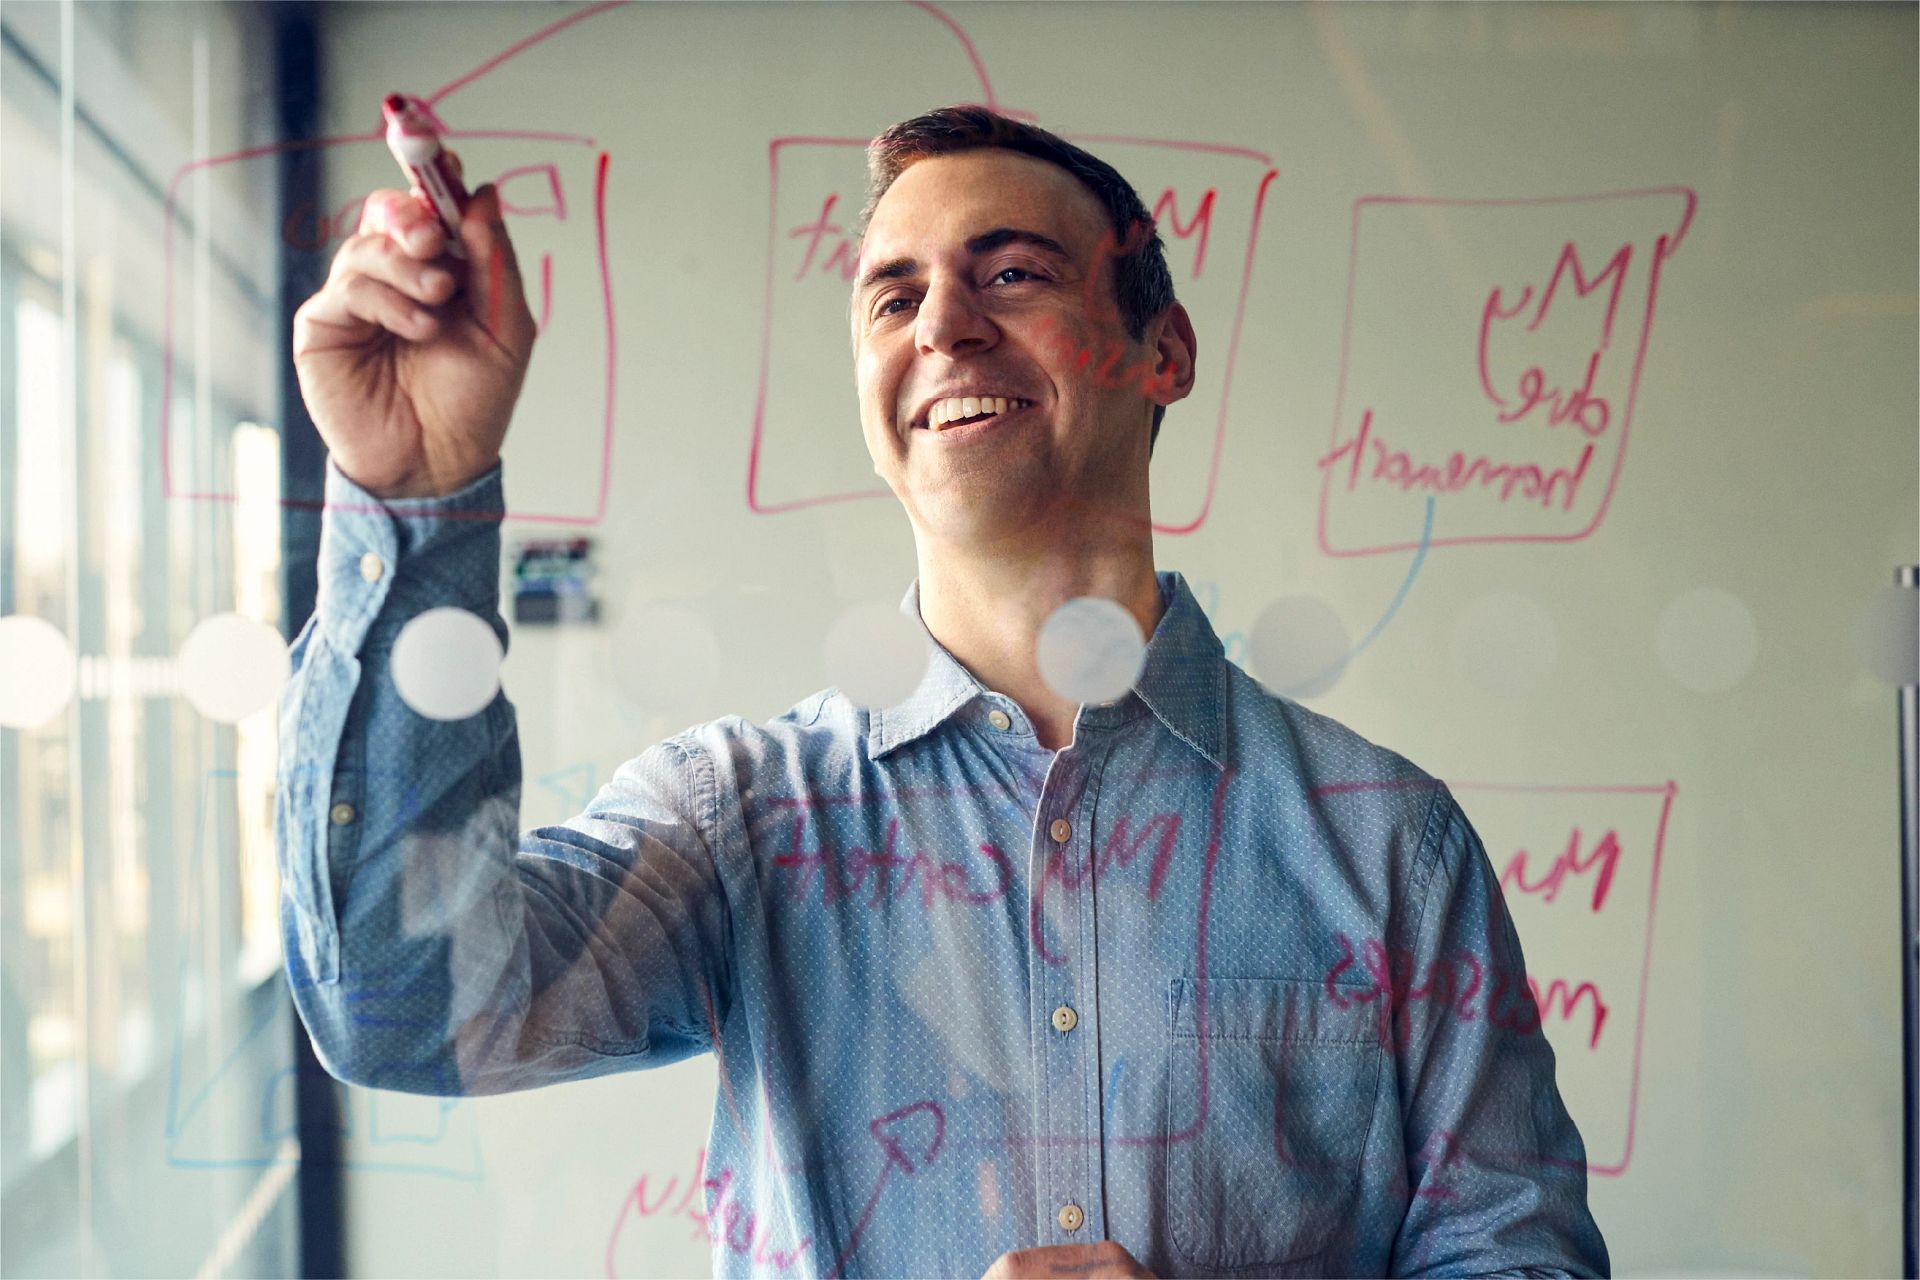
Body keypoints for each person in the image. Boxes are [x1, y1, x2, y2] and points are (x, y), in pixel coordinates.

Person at [281, 104, 1609, 1278]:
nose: (943, 327)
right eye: (892, 297)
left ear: (1163, 352)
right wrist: (416, 497)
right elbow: (404, 1011)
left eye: (1013, 273)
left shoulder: (1388, 843)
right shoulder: (739, 820)